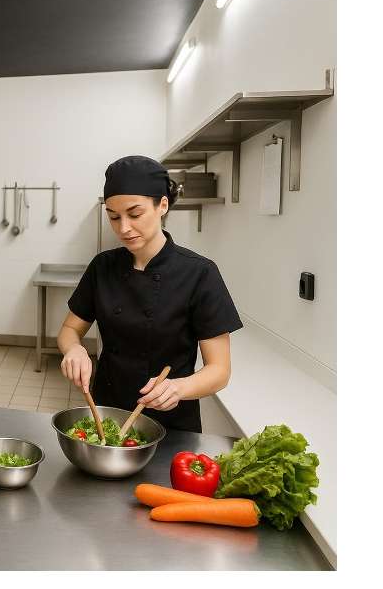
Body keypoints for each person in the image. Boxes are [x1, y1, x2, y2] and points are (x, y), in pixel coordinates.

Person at [57, 155, 243, 432]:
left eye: (134, 214)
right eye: (113, 217)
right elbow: (70, 328)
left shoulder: (199, 273)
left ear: (162, 205)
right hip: (106, 416)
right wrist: (74, 349)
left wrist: (179, 387)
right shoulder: (103, 266)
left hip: (172, 424)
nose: (124, 228)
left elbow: (219, 370)